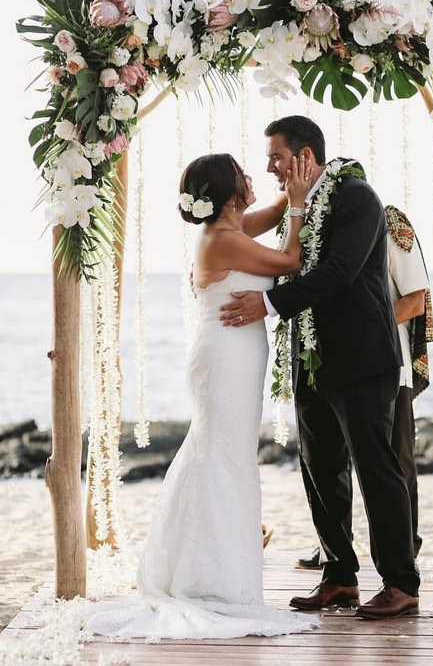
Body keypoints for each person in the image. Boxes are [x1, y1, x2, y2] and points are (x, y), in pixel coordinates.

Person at [85, 153, 317, 640]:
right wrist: (297, 207)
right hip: (226, 360)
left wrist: (293, 187)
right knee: (224, 459)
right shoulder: (224, 239)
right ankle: (211, 579)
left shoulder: (229, 229)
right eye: (243, 176)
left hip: (234, 356)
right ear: (229, 194)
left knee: (221, 456)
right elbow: (293, 260)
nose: (254, 178)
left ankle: (209, 569)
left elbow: (272, 213)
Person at [220, 116, 420, 620]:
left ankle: (401, 581)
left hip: (360, 355)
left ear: (305, 156)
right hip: (310, 359)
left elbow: (339, 271)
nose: (269, 167)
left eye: (277, 157)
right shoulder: (298, 203)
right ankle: (339, 577)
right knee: (319, 469)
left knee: (376, 468)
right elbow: (244, 233)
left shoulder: (357, 198)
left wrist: (267, 305)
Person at [295, 205, 433, 570]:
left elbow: (414, 300)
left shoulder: (391, 225)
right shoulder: (316, 229)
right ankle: (335, 551)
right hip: (336, 368)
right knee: (330, 462)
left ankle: (406, 552)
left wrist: (361, 330)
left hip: (387, 363)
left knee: (394, 461)